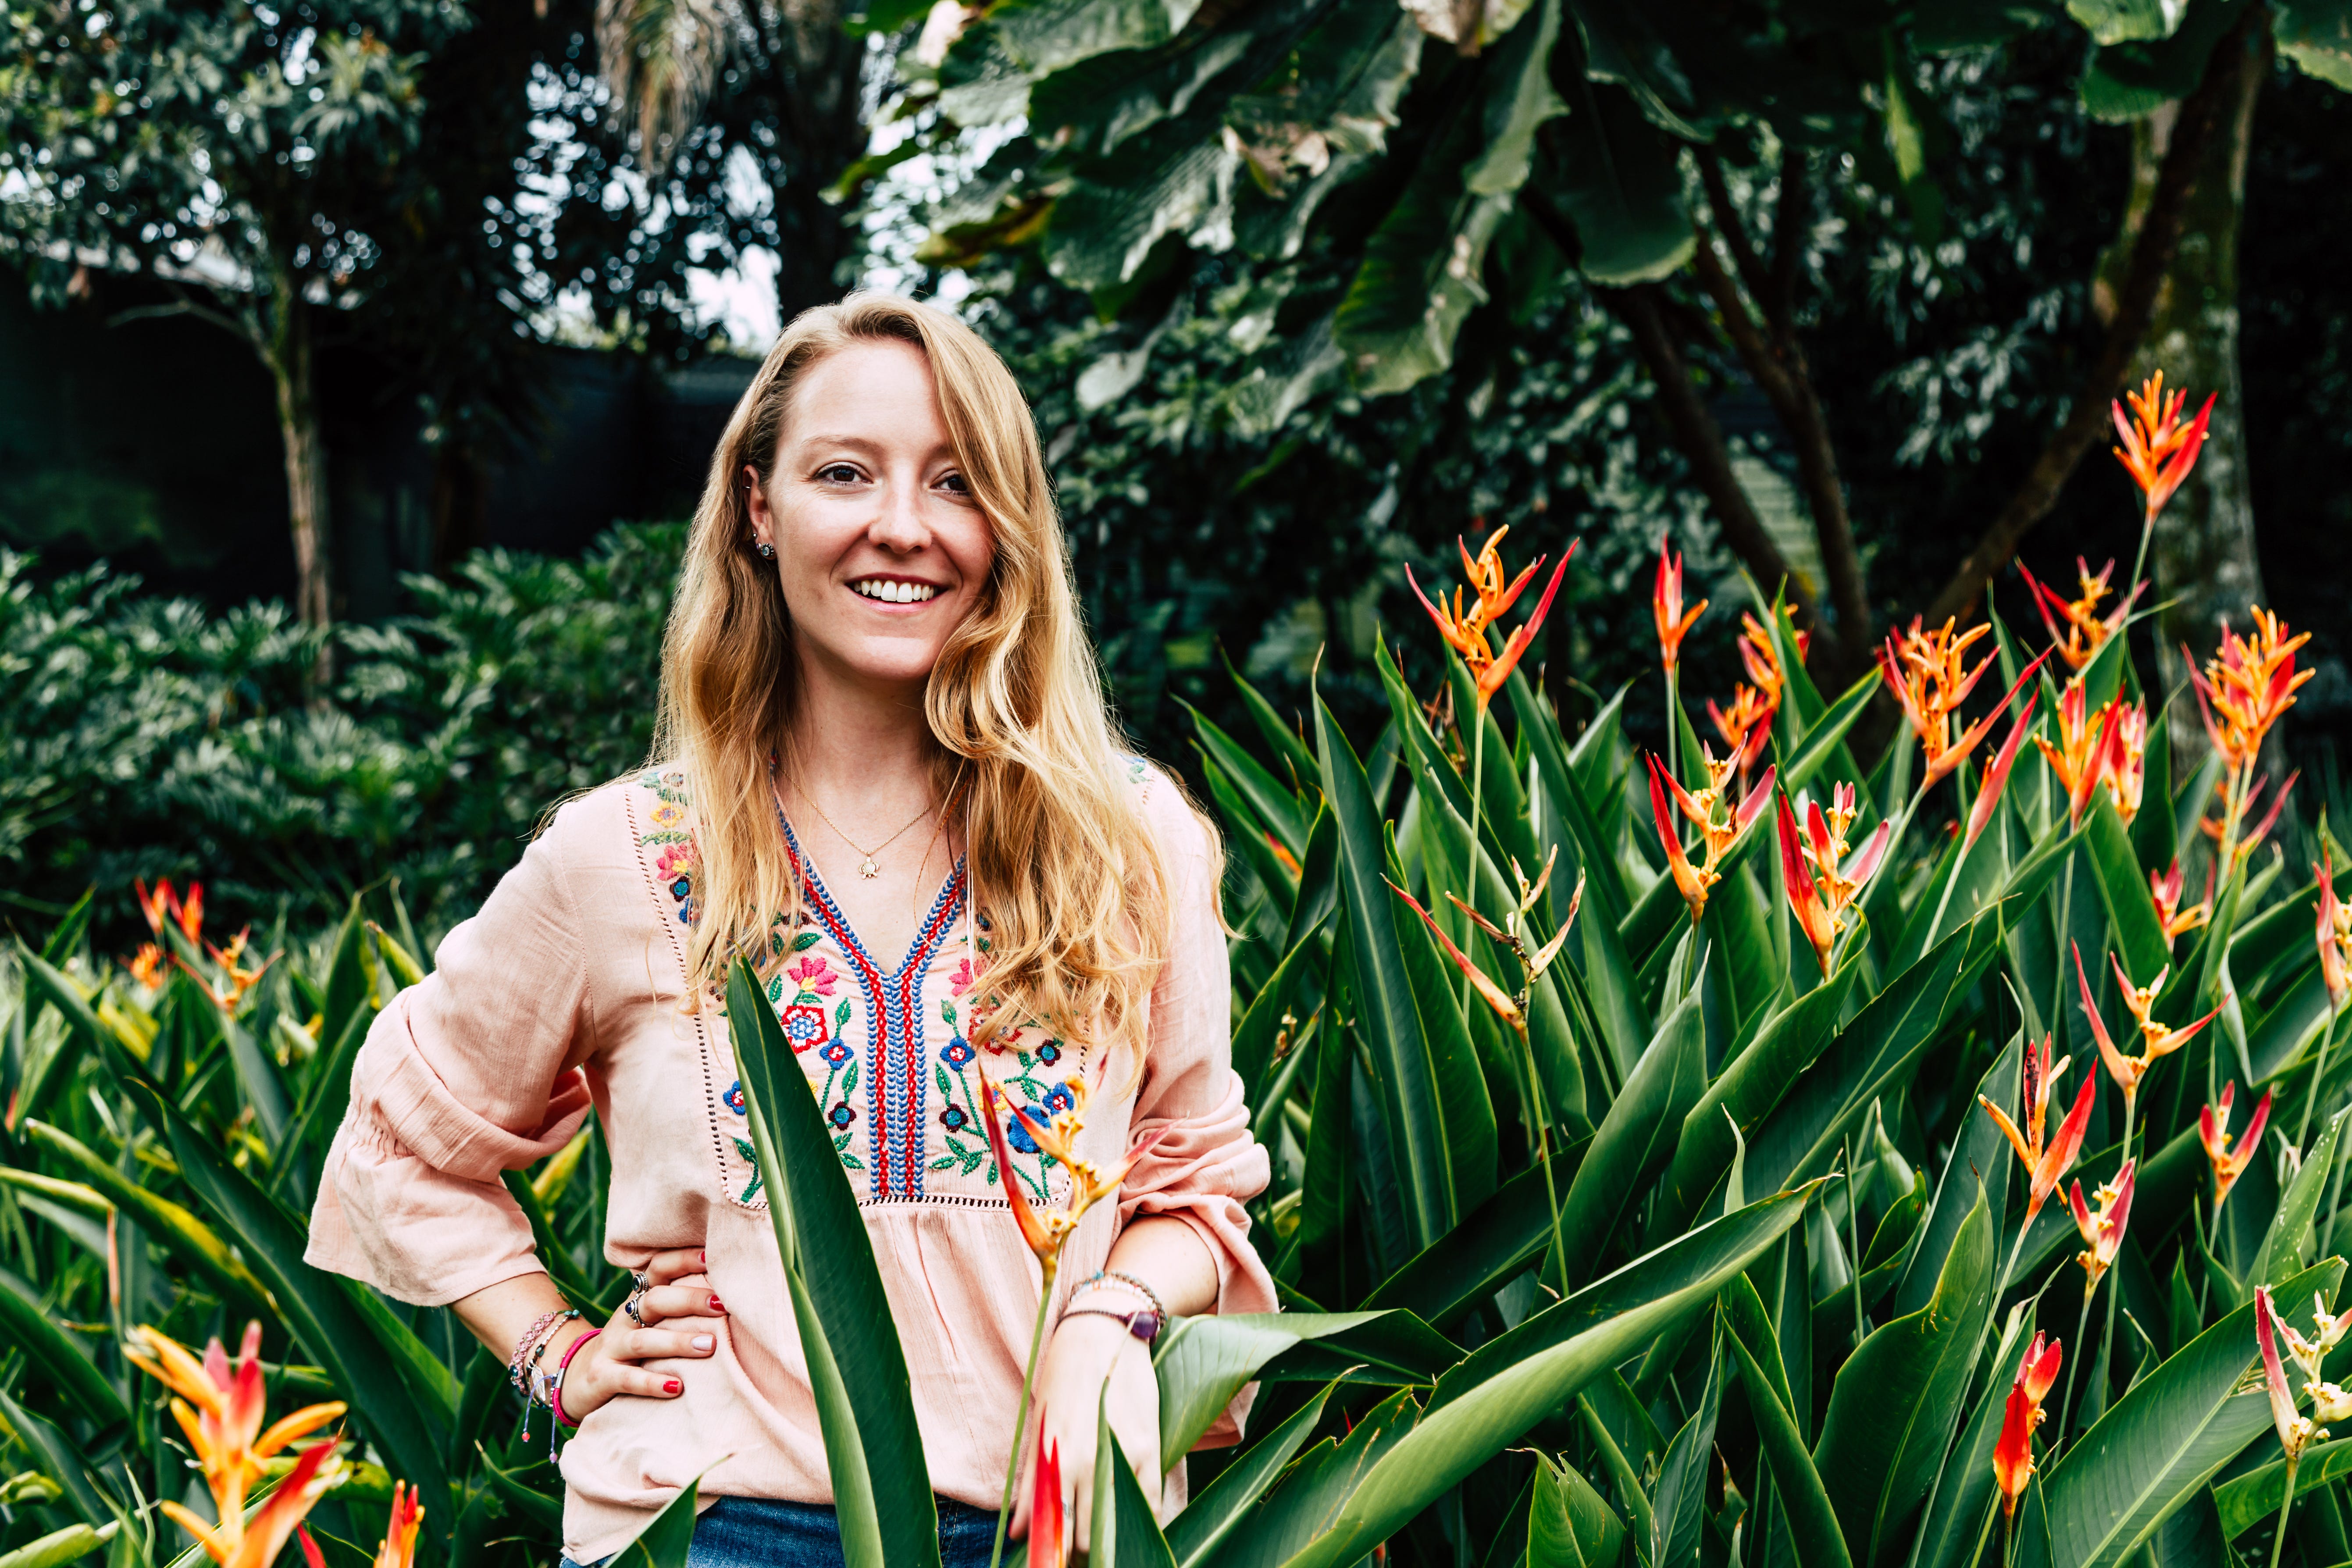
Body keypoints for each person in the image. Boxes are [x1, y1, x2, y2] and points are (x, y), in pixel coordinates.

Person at [304, 292, 1275, 1567]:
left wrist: (1110, 1317)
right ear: (757, 509)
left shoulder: (1127, 837)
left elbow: (1194, 1189)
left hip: (1054, 1527)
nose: (903, 525)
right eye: (844, 473)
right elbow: (400, 1144)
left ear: (1008, 525)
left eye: (955, 481)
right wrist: (557, 1352)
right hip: (715, 1525)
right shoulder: (623, 853)